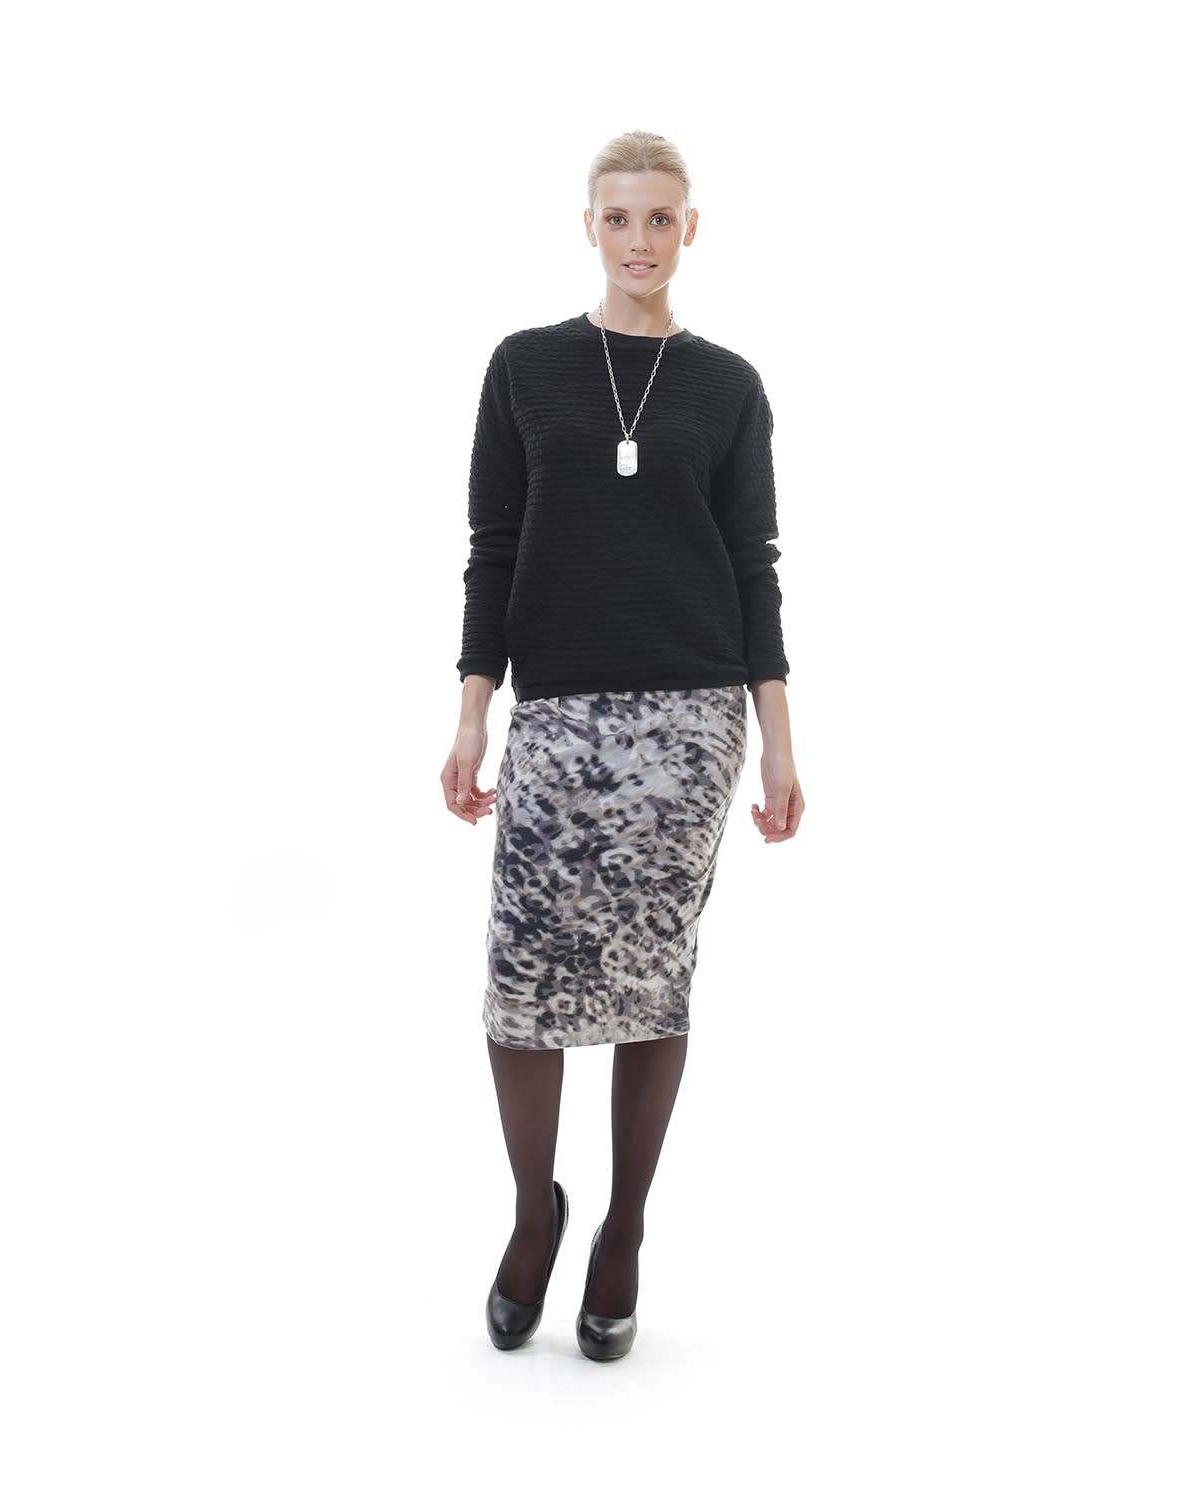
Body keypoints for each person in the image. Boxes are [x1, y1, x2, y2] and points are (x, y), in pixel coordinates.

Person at [441, 130, 804, 1361]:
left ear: (689, 228)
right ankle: (532, 1210)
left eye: (659, 219)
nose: (638, 240)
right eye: (617, 218)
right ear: (588, 225)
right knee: (525, 978)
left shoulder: (727, 386)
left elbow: (754, 566)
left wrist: (779, 740)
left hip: (693, 719)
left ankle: (625, 1228)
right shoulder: (526, 367)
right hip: (557, 709)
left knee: (655, 972)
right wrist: (473, 709)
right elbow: (495, 547)